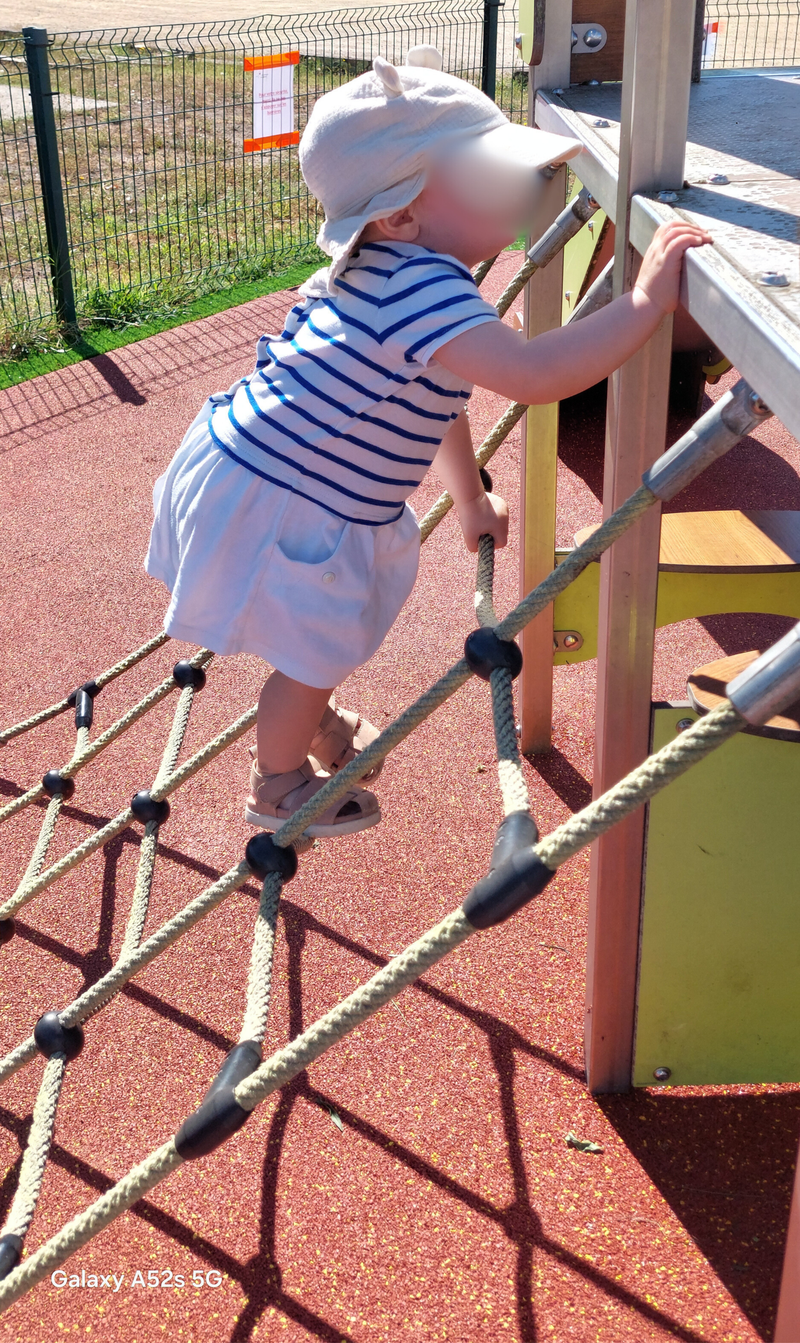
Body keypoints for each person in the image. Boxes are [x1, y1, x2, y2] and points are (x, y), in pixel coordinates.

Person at [146, 48, 711, 840]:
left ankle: (312, 719)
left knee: (320, 635)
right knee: (314, 649)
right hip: (287, 496)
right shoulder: (425, 284)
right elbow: (535, 374)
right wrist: (644, 303)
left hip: (259, 469)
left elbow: (437, 397)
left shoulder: (390, 270)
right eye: (492, 180)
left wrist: (470, 497)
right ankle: (278, 783)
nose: (523, 191)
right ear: (402, 214)